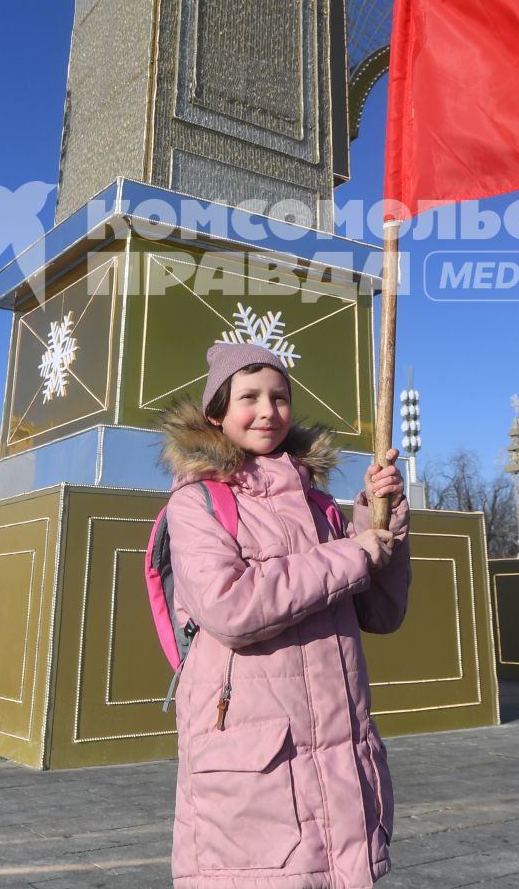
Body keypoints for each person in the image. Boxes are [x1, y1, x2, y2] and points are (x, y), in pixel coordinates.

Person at [160, 342, 409, 888]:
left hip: (338, 765)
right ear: (217, 414)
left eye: (279, 397)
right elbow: (232, 608)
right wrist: (355, 552)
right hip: (257, 771)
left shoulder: (320, 506)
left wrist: (378, 520)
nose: (268, 411)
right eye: (248, 397)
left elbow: (381, 611)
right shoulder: (198, 503)